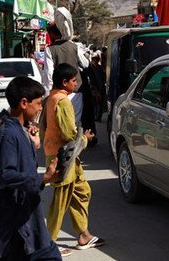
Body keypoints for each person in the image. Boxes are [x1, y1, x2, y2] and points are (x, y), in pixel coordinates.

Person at [0, 76, 61, 261]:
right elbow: (6, 175)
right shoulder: (8, 134)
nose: (41, 108)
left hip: (24, 213)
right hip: (13, 215)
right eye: (39, 103)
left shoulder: (19, 129)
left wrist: (33, 145)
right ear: (24, 103)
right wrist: (43, 178)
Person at [43, 63, 104, 254]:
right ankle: (48, 244)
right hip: (63, 156)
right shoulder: (62, 101)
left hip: (65, 155)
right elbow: (69, 133)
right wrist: (85, 138)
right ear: (65, 82)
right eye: (74, 80)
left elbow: (43, 125)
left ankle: (84, 235)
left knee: (82, 191)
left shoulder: (50, 98)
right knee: (60, 201)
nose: (76, 83)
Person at [41, 7, 89, 122]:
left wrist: (47, 96)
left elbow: (48, 75)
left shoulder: (50, 50)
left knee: (60, 123)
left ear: (52, 34)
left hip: (58, 94)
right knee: (75, 123)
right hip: (76, 93)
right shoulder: (74, 46)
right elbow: (85, 64)